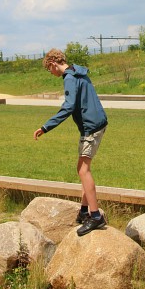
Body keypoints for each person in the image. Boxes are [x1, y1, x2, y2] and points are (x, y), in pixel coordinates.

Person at [33, 48, 108, 236]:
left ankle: (96, 216)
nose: (50, 73)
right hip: (97, 122)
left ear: (52, 63)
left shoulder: (69, 77)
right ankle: (84, 211)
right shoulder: (78, 71)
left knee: (83, 170)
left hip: (91, 127)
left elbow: (68, 106)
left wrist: (45, 127)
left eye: (48, 69)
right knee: (82, 169)